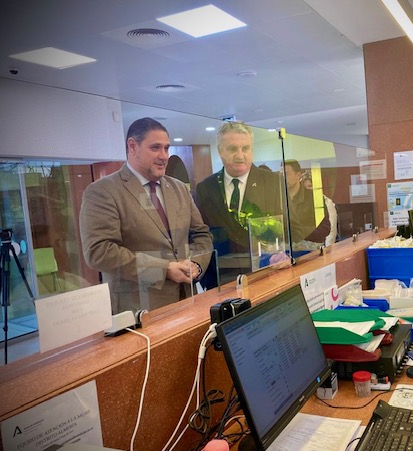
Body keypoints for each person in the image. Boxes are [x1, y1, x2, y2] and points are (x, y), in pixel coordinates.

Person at [80, 118, 213, 314]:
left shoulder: (178, 189)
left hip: (187, 302)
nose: (164, 156)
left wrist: (196, 265)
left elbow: (202, 235)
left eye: (167, 148)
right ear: (132, 147)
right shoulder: (103, 191)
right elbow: (99, 252)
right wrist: (163, 269)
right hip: (138, 311)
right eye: (155, 148)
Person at [195, 122, 284, 256]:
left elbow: (294, 228)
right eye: (232, 149)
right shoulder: (205, 188)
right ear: (220, 151)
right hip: (222, 270)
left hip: (266, 267)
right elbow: (200, 234)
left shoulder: (274, 182)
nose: (240, 155)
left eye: (246, 148)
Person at [284, 159, 331, 244]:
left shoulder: (314, 197)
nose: (283, 177)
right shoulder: (280, 199)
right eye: (281, 174)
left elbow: (325, 228)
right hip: (286, 252)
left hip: (311, 250)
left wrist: (298, 233)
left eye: (287, 174)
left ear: (298, 175)